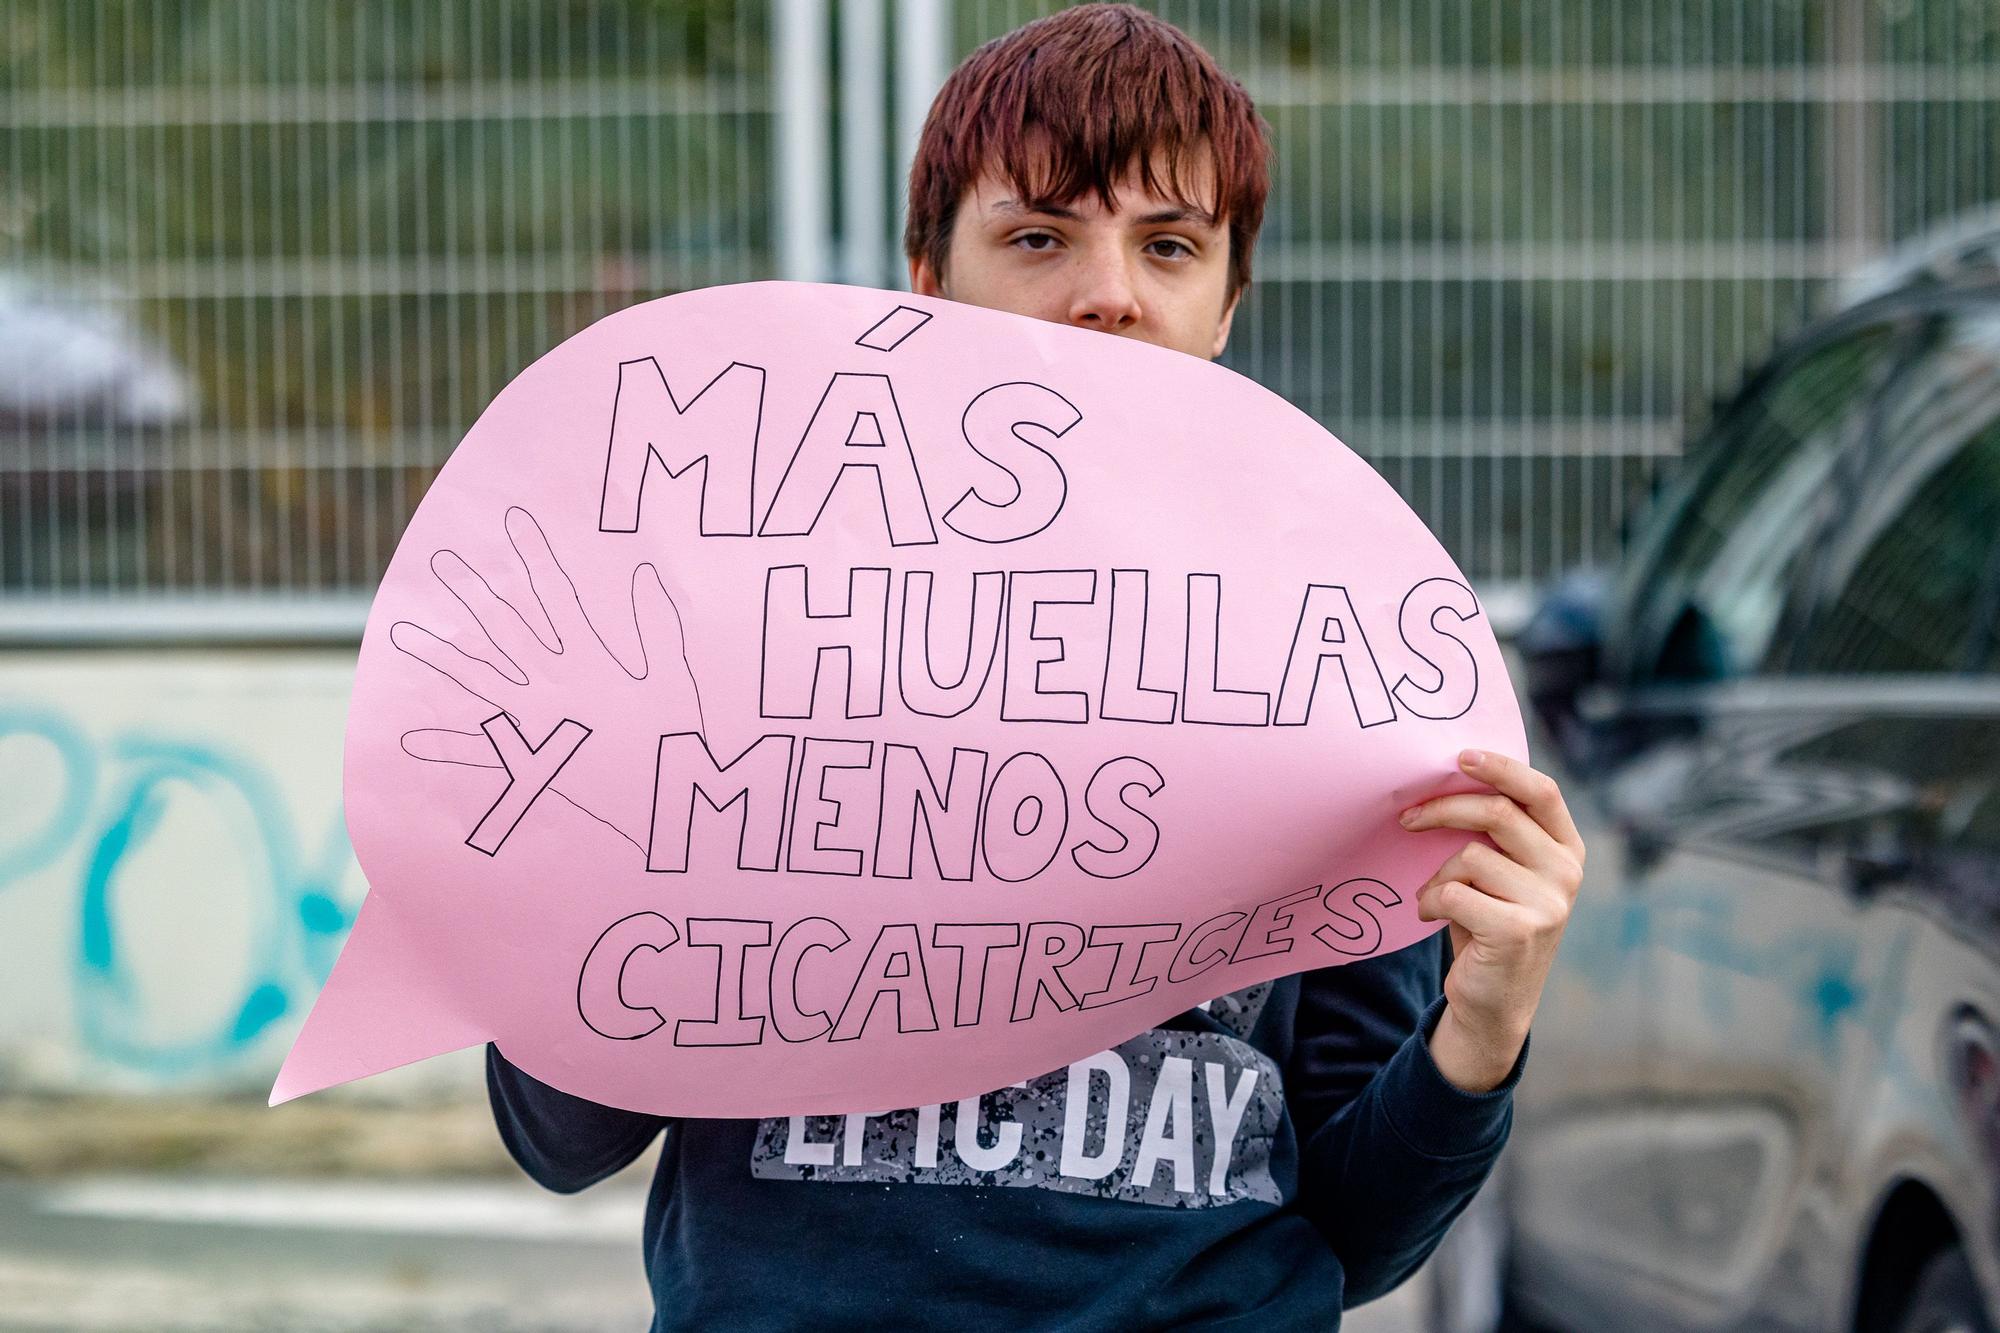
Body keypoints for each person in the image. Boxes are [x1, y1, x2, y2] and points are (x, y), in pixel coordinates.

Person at [487, 7, 1586, 1328]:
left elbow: (1357, 1232)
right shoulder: (744, 631)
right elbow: (560, 1135)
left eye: (1168, 245)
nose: (1108, 292)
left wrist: (1480, 1032)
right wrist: (640, 845)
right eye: (1038, 236)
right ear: (927, 283)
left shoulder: (1345, 666)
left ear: (1227, 304)